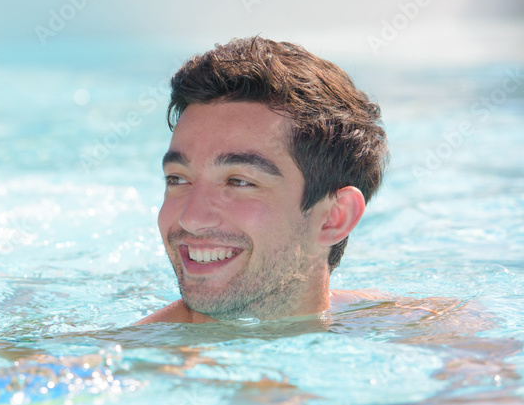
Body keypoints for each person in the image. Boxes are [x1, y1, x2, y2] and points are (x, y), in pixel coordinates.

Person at [137, 36, 389, 324]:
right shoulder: (119, 364)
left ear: (335, 217)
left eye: (239, 182)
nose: (190, 219)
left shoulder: (418, 334)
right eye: (178, 179)